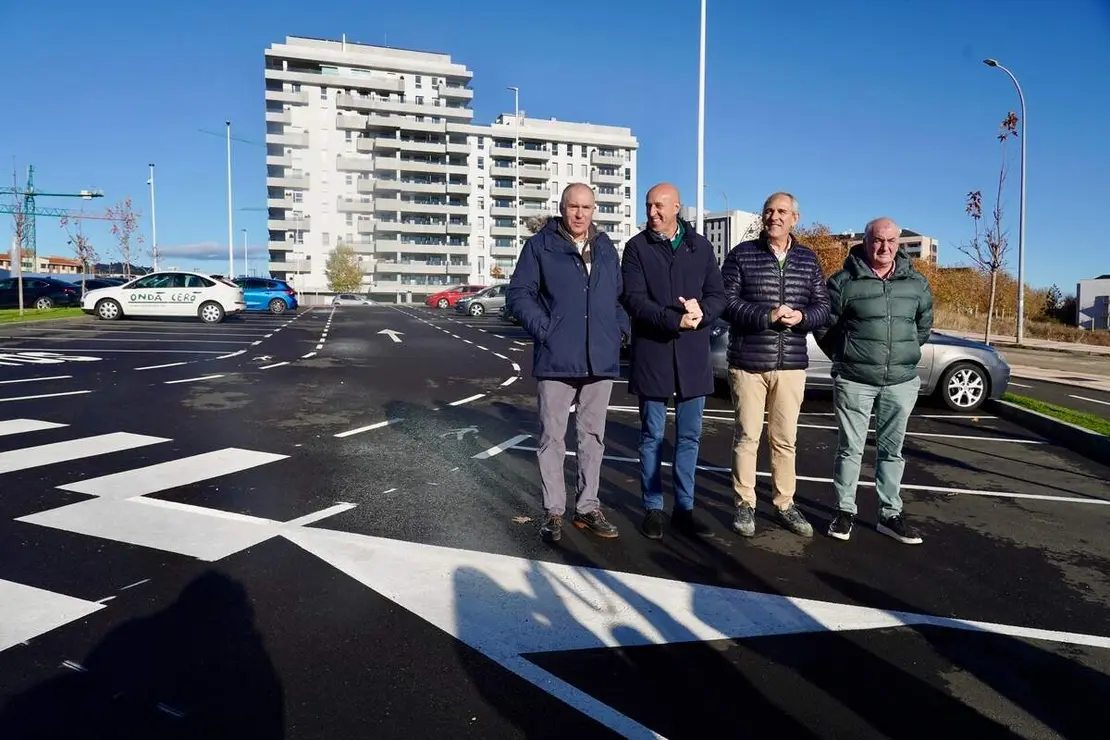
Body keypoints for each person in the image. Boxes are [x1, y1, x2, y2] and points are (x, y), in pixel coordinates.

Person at [507, 183, 629, 543]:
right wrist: (545, 329)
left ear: (594, 210)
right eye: (573, 207)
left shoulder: (606, 249)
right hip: (557, 357)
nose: (579, 214)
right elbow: (519, 294)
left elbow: (618, 299)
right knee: (552, 437)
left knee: (593, 437)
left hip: (600, 358)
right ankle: (554, 511)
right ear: (562, 208)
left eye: (586, 207)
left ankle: (588, 506)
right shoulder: (540, 246)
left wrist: (619, 331)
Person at [815, 217, 933, 545]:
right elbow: (825, 326)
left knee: (892, 451)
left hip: (900, 381)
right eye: (877, 241)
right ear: (866, 242)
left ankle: (890, 513)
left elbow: (922, 328)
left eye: (891, 241)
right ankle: (844, 511)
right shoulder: (843, 282)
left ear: (899, 244)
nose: (884, 247)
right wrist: (846, 354)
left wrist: (901, 354)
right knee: (850, 449)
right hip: (854, 380)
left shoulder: (917, 284)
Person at [720, 191, 831, 538]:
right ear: (763, 217)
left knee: (785, 440)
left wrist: (802, 317)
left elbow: (823, 307)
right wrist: (767, 315)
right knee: (747, 436)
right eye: (769, 211)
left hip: (791, 366)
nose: (774, 217)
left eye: (782, 212)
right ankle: (744, 504)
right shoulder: (741, 256)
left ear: (795, 219)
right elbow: (726, 303)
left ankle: (784, 504)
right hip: (749, 362)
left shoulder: (808, 261)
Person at [620, 183, 726, 540]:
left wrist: (703, 312)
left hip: (693, 357)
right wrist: (673, 319)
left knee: (689, 437)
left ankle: (684, 507)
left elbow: (718, 295)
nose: (652, 213)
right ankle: (652, 507)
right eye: (649, 206)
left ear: (677, 207)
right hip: (654, 355)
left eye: (659, 206)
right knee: (651, 436)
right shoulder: (636, 248)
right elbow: (634, 300)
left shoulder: (700, 247)